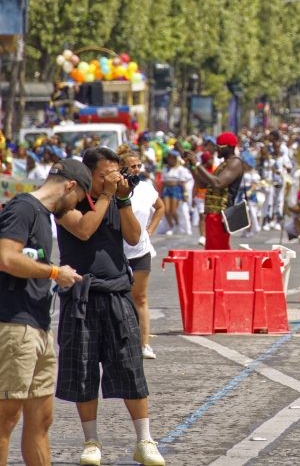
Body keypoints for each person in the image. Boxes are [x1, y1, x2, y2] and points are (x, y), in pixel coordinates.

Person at [55, 148, 165, 466]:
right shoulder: (68, 201)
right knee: (83, 370)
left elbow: (134, 238)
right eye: (104, 175)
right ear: (88, 174)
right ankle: (92, 441)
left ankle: (144, 439)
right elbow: (85, 228)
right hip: (82, 296)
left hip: (117, 293)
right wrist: (105, 196)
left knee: (130, 367)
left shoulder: (117, 200)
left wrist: (123, 200)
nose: (111, 180)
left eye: (115, 174)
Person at [0, 160, 86, 466]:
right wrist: (53, 272)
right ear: (70, 186)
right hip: (13, 323)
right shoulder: (23, 209)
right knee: (5, 419)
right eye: (78, 199)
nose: (74, 208)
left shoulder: (42, 215)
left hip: (38, 324)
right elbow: (6, 258)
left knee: (42, 419)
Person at [119, 147, 164, 361]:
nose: (137, 170)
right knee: (120, 298)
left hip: (140, 250)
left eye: (139, 166)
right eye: (132, 167)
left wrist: (151, 229)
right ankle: (122, 342)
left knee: (140, 297)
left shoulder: (146, 188)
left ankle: (144, 343)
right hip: (118, 251)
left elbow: (160, 207)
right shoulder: (114, 188)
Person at [183, 132, 244, 251]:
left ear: (229, 147)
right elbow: (202, 184)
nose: (216, 149)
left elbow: (218, 183)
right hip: (213, 214)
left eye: (219, 147)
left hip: (221, 215)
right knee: (212, 251)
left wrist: (197, 163)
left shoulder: (235, 162)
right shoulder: (224, 164)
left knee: (218, 252)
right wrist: (191, 166)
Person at [159, 151, 189, 234]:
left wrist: (185, 193)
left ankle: (177, 224)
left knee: (173, 210)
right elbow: (163, 182)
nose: (170, 160)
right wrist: (160, 193)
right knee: (166, 210)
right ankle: (171, 226)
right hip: (167, 189)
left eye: (172, 158)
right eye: (169, 157)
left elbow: (182, 183)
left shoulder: (180, 169)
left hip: (176, 189)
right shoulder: (165, 169)